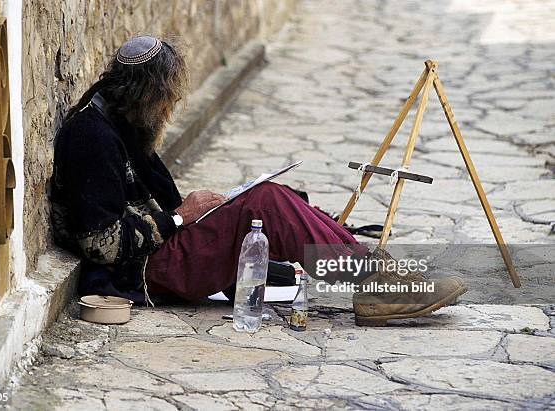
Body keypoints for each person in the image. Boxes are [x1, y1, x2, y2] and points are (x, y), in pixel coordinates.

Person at [50, 35, 467, 326]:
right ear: (146, 94)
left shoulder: (119, 114)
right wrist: (179, 218)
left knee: (277, 196)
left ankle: (377, 273)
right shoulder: (92, 136)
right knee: (264, 203)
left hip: (157, 251)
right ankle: (376, 284)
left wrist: (199, 212)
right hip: (143, 272)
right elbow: (99, 244)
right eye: (168, 98)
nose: (170, 107)